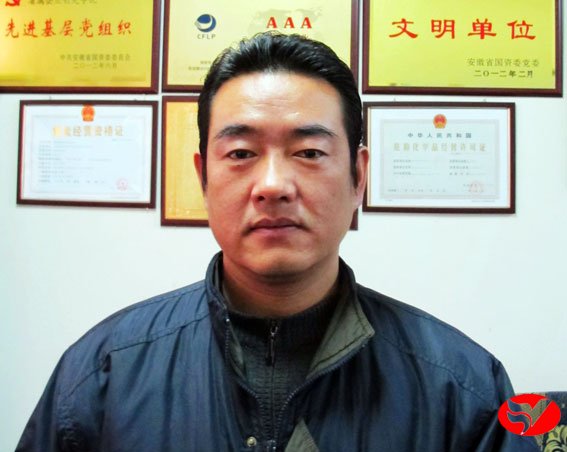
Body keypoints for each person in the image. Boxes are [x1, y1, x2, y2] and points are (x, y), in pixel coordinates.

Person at [17, 32, 537, 452]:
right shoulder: (102, 374)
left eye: (309, 152)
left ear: (358, 177)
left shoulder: (462, 387)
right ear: (203, 177)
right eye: (241, 153)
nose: (272, 185)